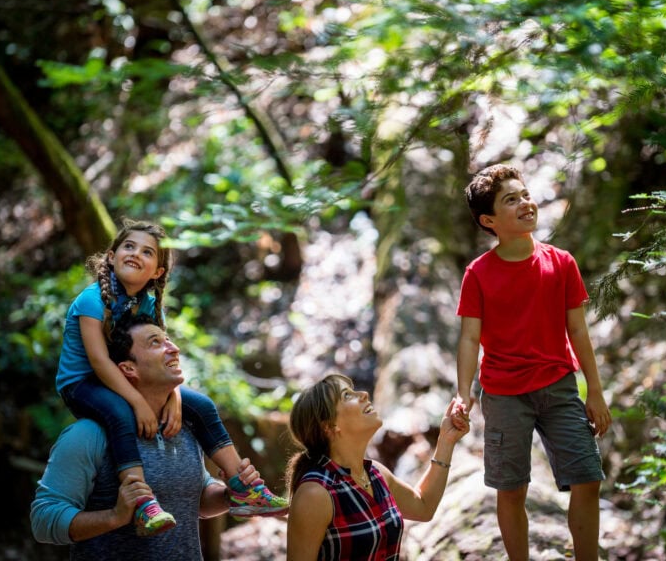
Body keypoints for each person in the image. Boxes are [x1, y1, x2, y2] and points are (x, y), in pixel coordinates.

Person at [55, 219, 287, 535]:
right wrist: (137, 401)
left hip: (127, 377)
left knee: (202, 406)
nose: (136, 253)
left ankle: (242, 485)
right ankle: (141, 502)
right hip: (83, 383)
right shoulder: (91, 300)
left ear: (158, 272)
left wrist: (174, 397)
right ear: (112, 256)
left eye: (148, 252)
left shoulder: (150, 305)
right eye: (129, 246)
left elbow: (163, 357)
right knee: (121, 414)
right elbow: (99, 361)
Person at [451, 164, 612, 561]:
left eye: (524, 194)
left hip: (558, 386)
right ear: (489, 220)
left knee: (588, 478)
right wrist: (463, 394)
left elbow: (578, 332)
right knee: (511, 489)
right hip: (505, 395)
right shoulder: (478, 273)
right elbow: (470, 337)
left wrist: (596, 392)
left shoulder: (561, 263)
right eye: (511, 199)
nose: (525, 203)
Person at [32, 315, 267, 559]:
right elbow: (44, 520)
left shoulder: (185, 426)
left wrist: (229, 495)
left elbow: (193, 500)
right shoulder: (88, 435)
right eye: (156, 343)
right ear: (128, 368)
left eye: (169, 340)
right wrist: (114, 516)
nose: (173, 348)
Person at [285, 374, 468, 560]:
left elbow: (423, 506)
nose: (364, 394)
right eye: (347, 396)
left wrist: (446, 440)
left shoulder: (376, 474)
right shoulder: (315, 493)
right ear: (330, 426)